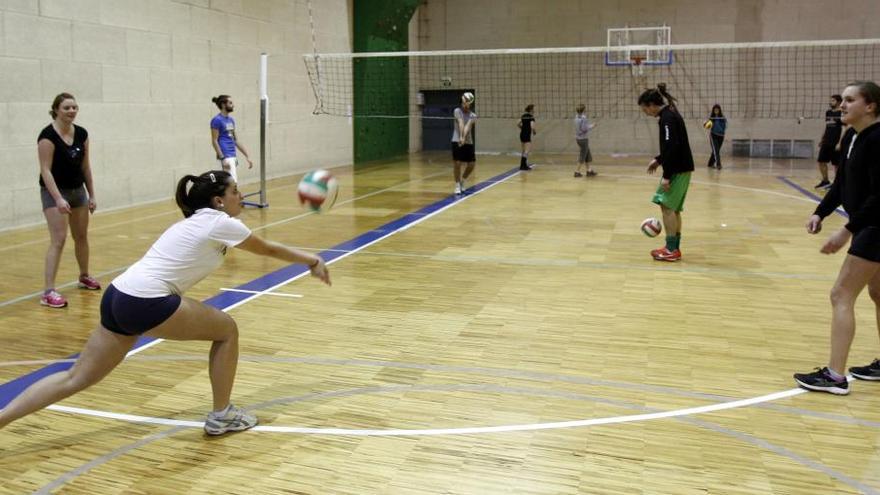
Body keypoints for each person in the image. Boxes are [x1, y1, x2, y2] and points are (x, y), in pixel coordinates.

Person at [0, 170, 331, 434]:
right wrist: (311, 260)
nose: (240, 196)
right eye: (234, 191)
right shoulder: (222, 222)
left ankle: (3, 418)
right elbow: (268, 250)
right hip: (147, 300)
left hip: (118, 296)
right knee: (227, 331)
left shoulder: (194, 223)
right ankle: (222, 415)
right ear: (218, 200)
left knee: (75, 378)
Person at [793, 81, 880, 395]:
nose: (842, 105)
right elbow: (842, 184)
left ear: (869, 106)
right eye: (842, 100)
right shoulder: (854, 137)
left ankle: (835, 376)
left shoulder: (877, 139)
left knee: (841, 294)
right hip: (869, 225)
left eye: (849, 100)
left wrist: (847, 230)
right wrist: (821, 212)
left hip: (874, 226)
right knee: (878, 293)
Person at [37, 93, 101, 309]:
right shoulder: (47, 136)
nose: (72, 111)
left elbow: (86, 167)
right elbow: (45, 170)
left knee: (81, 236)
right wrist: (58, 199)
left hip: (77, 191)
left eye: (74, 107)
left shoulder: (82, 134)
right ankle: (48, 291)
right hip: (54, 191)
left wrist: (91, 194)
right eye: (66, 108)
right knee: (59, 239)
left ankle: (84, 275)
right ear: (56, 110)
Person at [638, 84, 695, 262]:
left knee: (667, 207)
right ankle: (673, 248)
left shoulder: (667, 118)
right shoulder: (670, 113)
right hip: (682, 167)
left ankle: (671, 249)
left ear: (651, 105)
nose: (646, 113)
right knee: (673, 209)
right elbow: (673, 145)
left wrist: (667, 175)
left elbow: (672, 146)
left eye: (645, 109)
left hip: (677, 169)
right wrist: (659, 159)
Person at [210, 95, 254, 184]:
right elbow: (214, 140)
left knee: (230, 183)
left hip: (232, 154)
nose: (233, 105)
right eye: (230, 103)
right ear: (223, 105)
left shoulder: (231, 120)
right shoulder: (216, 120)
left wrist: (247, 156)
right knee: (232, 183)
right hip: (226, 155)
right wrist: (223, 158)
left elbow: (235, 140)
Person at [815, 94, 844, 189]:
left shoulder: (842, 113)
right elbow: (826, 126)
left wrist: (840, 142)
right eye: (830, 100)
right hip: (827, 141)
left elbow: (844, 128)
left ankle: (837, 184)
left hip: (836, 142)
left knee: (836, 164)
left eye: (833, 101)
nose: (830, 102)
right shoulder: (828, 112)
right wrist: (822, 139)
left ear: (839, 102)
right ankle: (825, 181)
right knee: (821, 161)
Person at [452, 92, 477, 195]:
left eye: (465, 102)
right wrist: (461, 137)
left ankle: (463, 180)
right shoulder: (457, 111)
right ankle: (457, 184)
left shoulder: (473, 116)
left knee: (471, 164)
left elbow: (467, 126)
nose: (463, 104)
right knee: (457, 163)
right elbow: (461, 123)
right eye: (462, 102)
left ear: (469, 103)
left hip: (468, 141)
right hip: (456, 139)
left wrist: (464, 137)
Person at [574, 103, 597, 178]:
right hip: (583, 139)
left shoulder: (576, 117)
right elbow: (584, 129)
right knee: (582, 156)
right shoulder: (583, 118)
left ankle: (589, 171)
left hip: (579, 138)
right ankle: (577, 172)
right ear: (583, 110)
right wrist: (592, 126)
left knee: (587, 155)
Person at [705, 104, 727, 169]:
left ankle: (710, 163)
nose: (716, 110)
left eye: (717, 109)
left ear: (719, 110)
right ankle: (718, 164)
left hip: (721, 136)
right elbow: (707, 126)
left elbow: (725, 127)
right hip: (713, 135)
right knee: (716, 151)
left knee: (716, 150)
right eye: (715, 110)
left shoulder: (722, 118)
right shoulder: (712, 118)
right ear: (713, 110)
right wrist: (705, 124)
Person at [517, 104, 536, 171]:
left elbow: (518, 123)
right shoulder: (531, 117)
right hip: (527, 134)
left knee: (523, 150)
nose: (534, 110)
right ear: (531, 110)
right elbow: (532, 126)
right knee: (527, 150)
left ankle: (523, 165)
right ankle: (522, 166)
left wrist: (522, 128)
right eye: (533, 109)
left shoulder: (523, 116)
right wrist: (534, 131)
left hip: (522, 134)